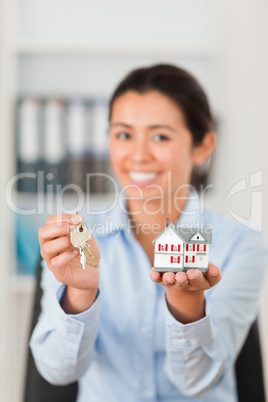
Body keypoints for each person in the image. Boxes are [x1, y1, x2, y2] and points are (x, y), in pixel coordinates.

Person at [31, 64, 268, 402]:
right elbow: (57, 372)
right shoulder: (75, 241)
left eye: (160, 136)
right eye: (124, 135)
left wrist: (187, 305)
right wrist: (80, 293)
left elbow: (198, 383)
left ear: (202, 146)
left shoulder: (240, 244)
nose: (138, 155)